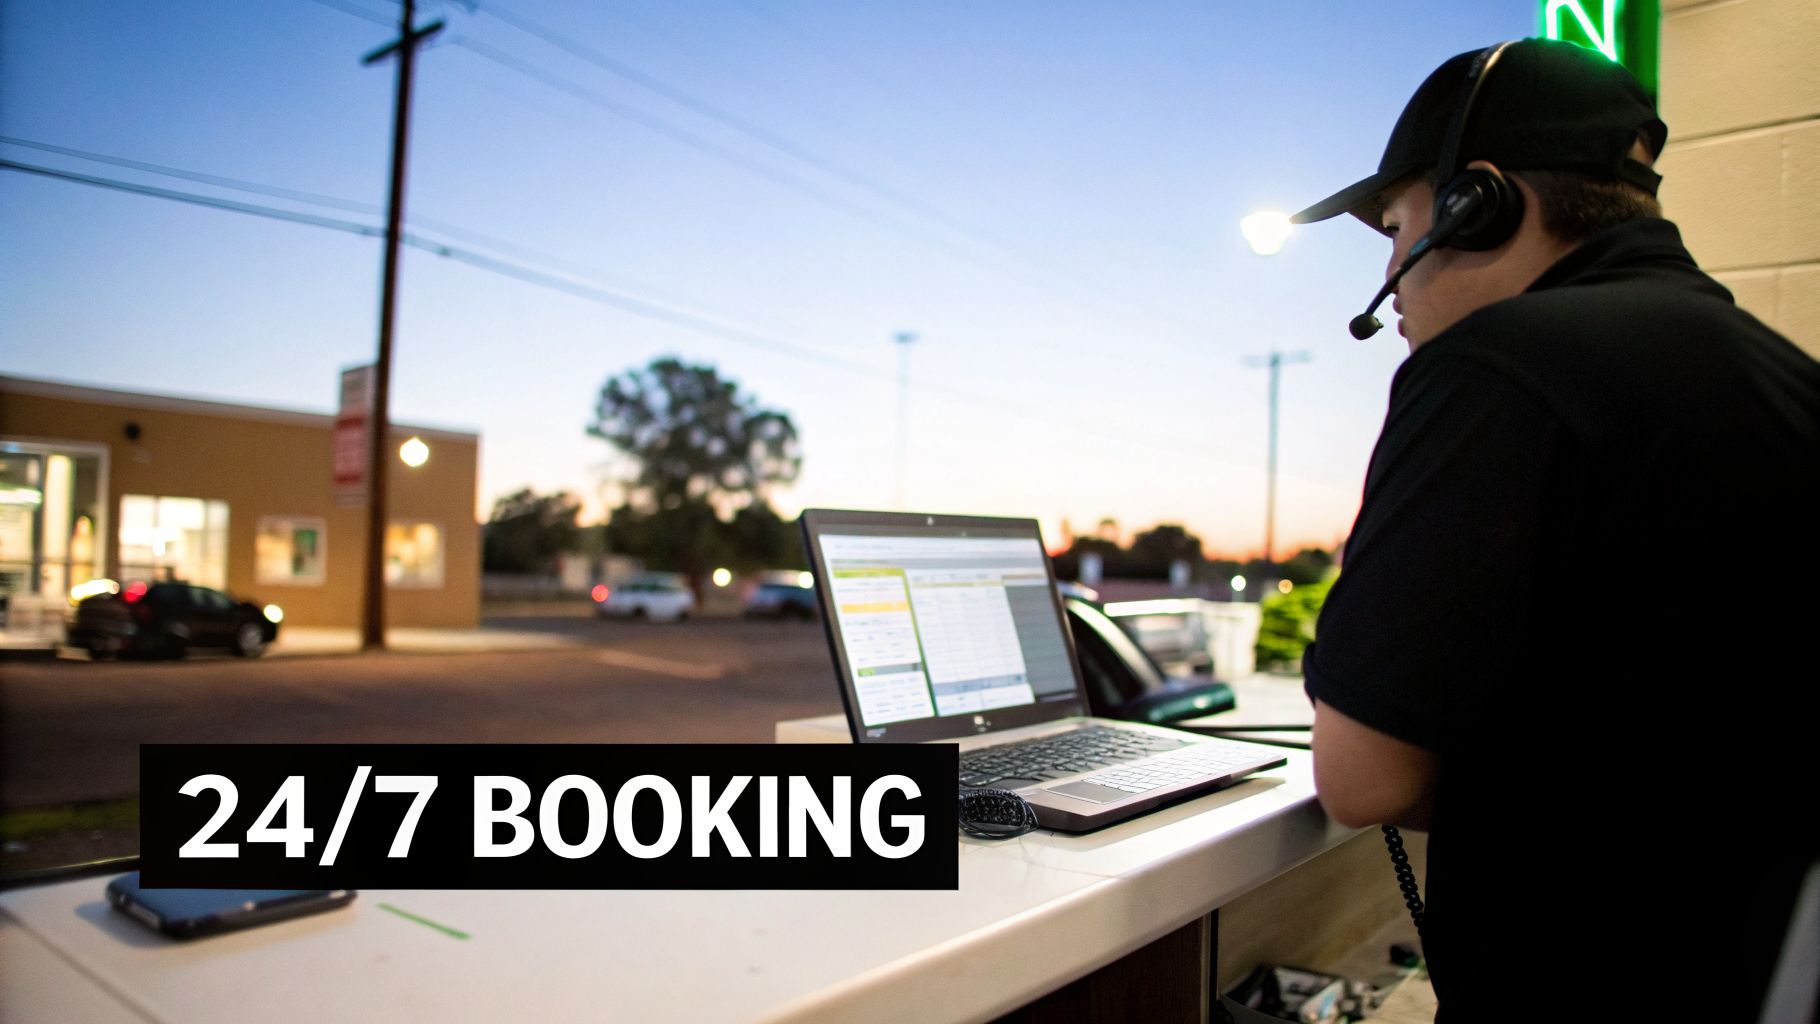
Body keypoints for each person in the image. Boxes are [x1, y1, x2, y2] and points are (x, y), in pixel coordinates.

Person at [1289, 39, 1819, 1022]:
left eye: (1396, 229)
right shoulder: (1776, 373)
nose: (1392, 281)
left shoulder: (1494, 364)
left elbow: (1361, 777)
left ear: (1474, 205)